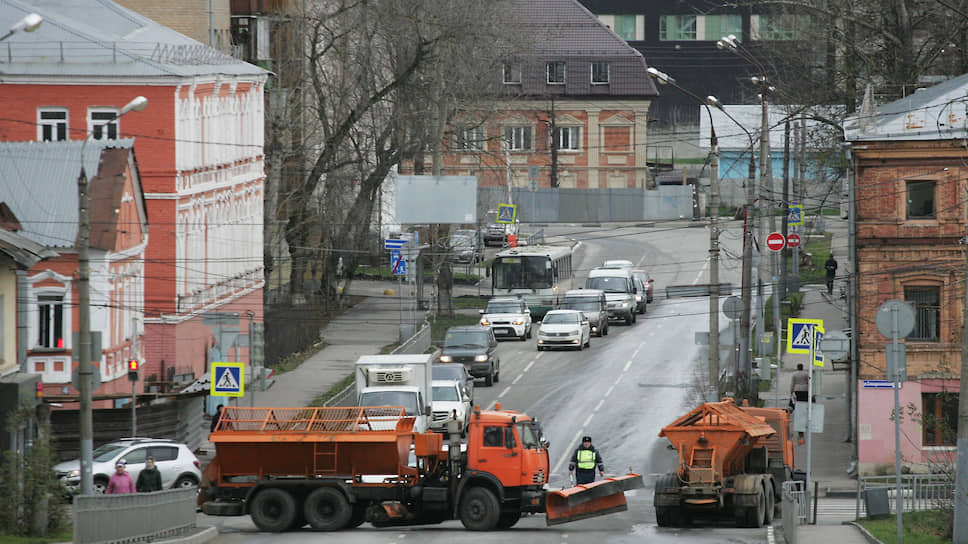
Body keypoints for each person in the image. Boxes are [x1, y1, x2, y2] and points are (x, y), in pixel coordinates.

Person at [790, 364, 810, 444]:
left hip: (797, 389)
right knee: (803, 404)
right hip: (805, 390)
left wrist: (791, 391)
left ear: (797, 367)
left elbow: (792, 384)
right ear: (802, 367)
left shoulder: (794, 374)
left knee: (797, 403)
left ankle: (793, 408)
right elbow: (809, 382)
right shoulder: (806, 374)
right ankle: (804, 409)